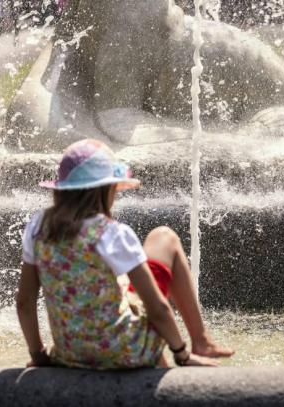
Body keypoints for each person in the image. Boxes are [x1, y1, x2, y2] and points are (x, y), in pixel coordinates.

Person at [16, 139, 234, 369]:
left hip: (70, 354)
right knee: (164, 238)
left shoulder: (38, 227)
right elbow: (157, 307)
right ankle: (200, 342)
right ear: (106, 189)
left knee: (122, 295)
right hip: (126, 352)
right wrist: (181, 354)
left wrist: (38, 354)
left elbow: (24, 302)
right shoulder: (111, 233)